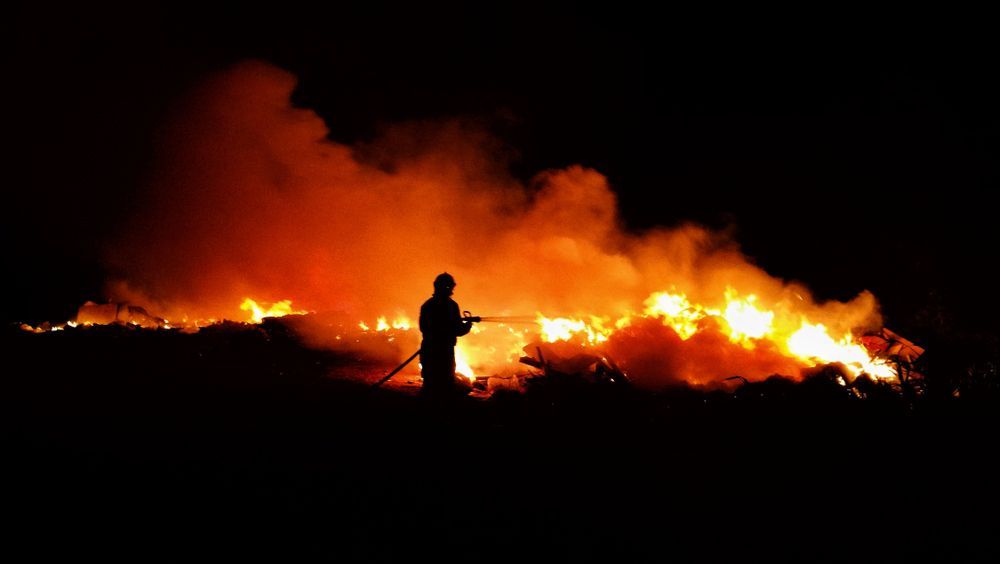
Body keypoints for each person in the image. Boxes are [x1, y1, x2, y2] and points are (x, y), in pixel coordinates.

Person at [419, 272, 474, 395]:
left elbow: (424, 328)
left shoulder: (427, 305)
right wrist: (468, 325)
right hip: (444, 352)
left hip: (429, 350)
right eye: (449, 287)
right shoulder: (451, 306)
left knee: (430, 385)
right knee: (445, 385)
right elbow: (458, 330)